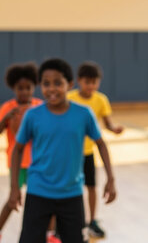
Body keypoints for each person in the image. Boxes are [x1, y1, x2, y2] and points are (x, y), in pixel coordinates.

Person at [9, 58, 116, 243]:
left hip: (71, 194)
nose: (52, 89)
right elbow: (17, 149)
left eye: (58, 83)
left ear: (70, 84)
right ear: (40, 85)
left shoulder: (83, 114)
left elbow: (101, 143)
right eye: (46, 83)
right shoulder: (33, 115)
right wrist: (14, 188)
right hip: (38, 192)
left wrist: (111, 179)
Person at [0, 63, 58, 243]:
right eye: (20, 88)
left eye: (28, 88)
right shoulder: (8, 107)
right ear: (13, 88)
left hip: (39, 163)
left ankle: (50, 235)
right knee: (12, 200)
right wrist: (7, 119)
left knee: (48, 200)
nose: (24, 92)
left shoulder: (40, 106)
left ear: (34, 87)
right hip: (17, 162)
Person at [67, 61, 124, 238]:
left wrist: (113, 129)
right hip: (70, 154)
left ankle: (92, 220)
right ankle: (66, 222)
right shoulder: (70, 98)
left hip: (89, 152)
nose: (91, 85)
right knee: (69, 188)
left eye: (94, 82)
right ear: (78, 81)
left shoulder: (101, 100)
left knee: (91, 187)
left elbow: (106, 123)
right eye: (87, 82)